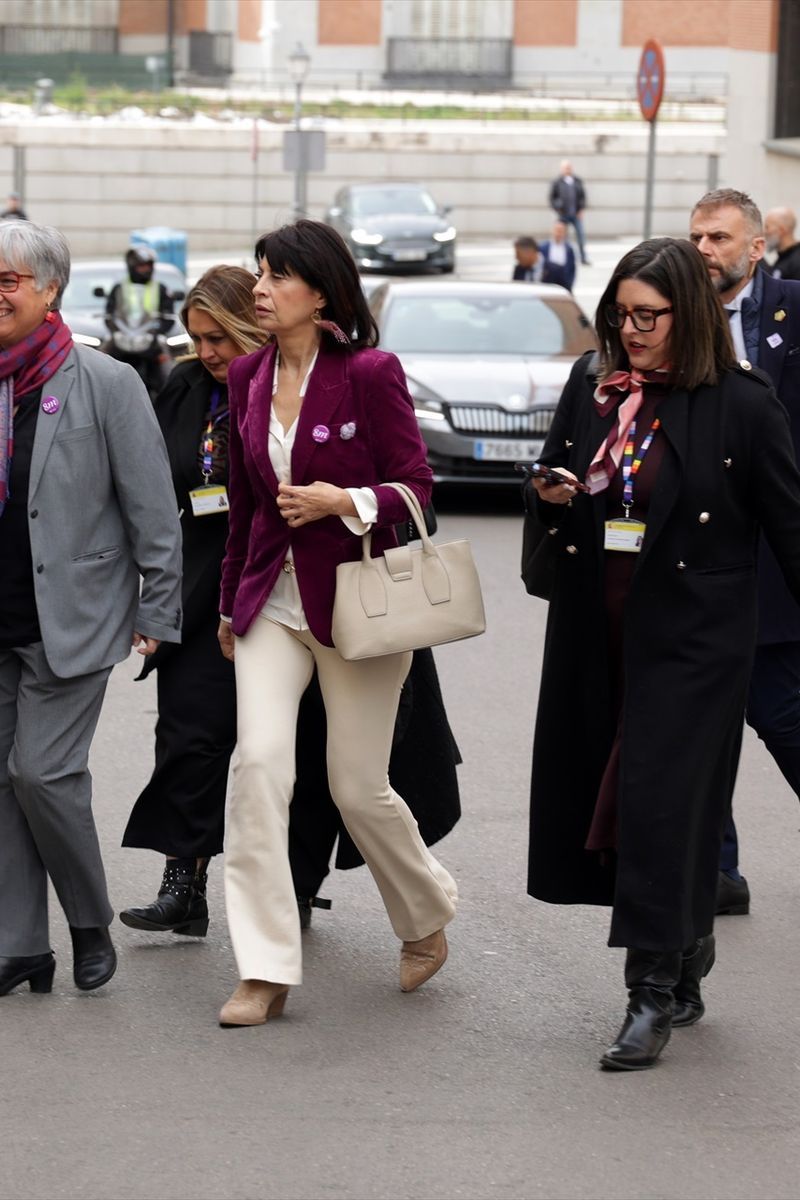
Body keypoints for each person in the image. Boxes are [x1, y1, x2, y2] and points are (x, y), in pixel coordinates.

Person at [118, 265, 461, 938]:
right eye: (197, 339)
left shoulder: (333, 382)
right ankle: (185, 883)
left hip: (329, 587)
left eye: (220, 337)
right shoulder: (187, 388)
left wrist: (343, 503)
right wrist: (161, 598)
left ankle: (300, 890)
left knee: (321, 760)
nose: (208, 352)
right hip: (214, 584)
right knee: (197, 735)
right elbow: (151, 496)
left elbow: (413, 489)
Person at [524, 236, 800, 1071]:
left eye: (649, 316)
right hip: (597, 628)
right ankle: (684, 948)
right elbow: (559, 476)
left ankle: (647, 992)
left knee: (659, 804)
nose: (631, 330)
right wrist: (549, 494)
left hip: (696, 641)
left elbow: (788, 525)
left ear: (691, 314)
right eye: (620, 314)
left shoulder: (743, 404)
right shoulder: (593, 386)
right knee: (616, 805)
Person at [218, 219, 458, 1028]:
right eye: (258, 273)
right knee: (257, 768)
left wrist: (343, 502)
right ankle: (264, 967)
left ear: (320, 292)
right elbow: (246, 508)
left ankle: (425, 912)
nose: (259, 288)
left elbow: (418, 489)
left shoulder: (369, 373)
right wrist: (230, 605)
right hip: (271, 605)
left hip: (357, 602)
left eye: (277, 276)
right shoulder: (246, 375)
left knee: (357, 787)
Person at [0, 220, 182, 999]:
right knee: (2, 784)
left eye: (8, 280)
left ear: (50, 291)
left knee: (42, 775)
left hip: (71, 617)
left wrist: (160, 608)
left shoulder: (106, 383)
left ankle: (86, 921)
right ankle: (21, 947)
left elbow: (153, 508)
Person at [689, 188, 800, 916]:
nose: (704, 250)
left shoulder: (791, 311)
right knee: (700, 731)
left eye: (719, 238)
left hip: (777, 560)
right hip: (696, 564)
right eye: (696, 236)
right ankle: (718, 870)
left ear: (755, 248)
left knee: (784, 715)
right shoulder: (669, 318)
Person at [105, 245, 175, 397]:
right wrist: (114, 329)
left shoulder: (160, 288)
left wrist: (158, 331)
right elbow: (109, 313)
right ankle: (97, 392)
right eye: (141, 266)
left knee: (168, 371)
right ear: (132, 267)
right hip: (124, 337)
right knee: (100, 360)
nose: (146, 270)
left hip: (151, 337)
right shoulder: (119, 288)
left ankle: (171, 398)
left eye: (148, 266)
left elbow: (169, 315)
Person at [548, 160, 590, 265]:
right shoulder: (557, 182)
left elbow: (583, 197)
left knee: (580, 236)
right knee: (562, 237)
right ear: (562, 169)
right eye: (565, 168)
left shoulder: (577, 181)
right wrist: (558, 208)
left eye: (569, 167)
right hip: (563, 215)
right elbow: (552, 198)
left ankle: (583, 257)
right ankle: (565, 259)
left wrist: (581, 209)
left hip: (576, 214)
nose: (568, 169)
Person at [538, 220, 576, 292]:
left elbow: (572, 269)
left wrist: (569, 284)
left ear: (565, 233)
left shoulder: (569, 249)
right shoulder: (543, 247)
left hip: (564, 284)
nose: (558, 233)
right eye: (557, 230)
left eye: (561, 231)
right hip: (547, 283)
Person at [764, 206, 800, 281]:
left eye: (767, 227)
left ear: (781, 230)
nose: (764, 232)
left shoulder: (796, 262)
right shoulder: (782, 259)